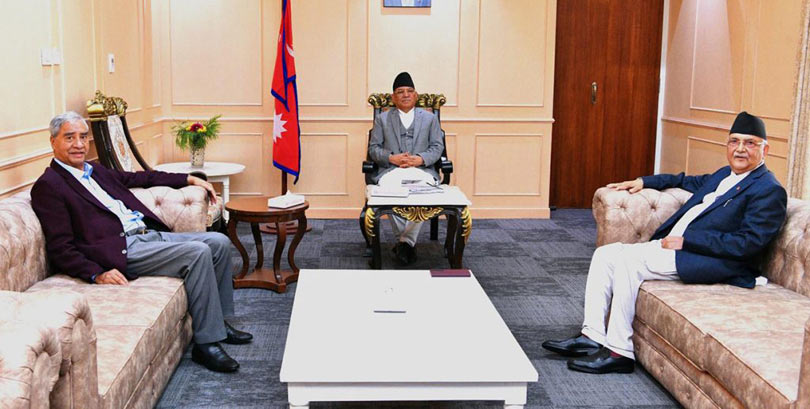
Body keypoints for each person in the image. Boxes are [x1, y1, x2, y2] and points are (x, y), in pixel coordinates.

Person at [542, 111, 787, 374]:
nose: (740, 149)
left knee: (629, 261)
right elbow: (684, 180)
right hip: (677, 248)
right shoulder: (724, 175)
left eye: (750, 143)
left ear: (765, 149)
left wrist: (688, 241)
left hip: (712, 260)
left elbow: (747, 244)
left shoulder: (768, 189)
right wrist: (644, 181)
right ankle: (591, 336)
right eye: (734, 141)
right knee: (606, 254)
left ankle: (619, 352)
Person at [31, 111, 253, 373]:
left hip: (146, 233)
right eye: (69, 138)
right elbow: (60, 247)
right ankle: (206, 344)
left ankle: (218, 322)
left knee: (218, 242)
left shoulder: (94, 171)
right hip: (123, 249)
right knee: (198, 252)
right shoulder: (50, 185)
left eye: (83, 137)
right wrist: (96, 273)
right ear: (53, 142)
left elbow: (140, 178)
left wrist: (190, 179)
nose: (78, 144)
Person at [368, 71, 445, 265]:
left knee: (422, 194)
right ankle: (408, 243)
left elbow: (437, 147)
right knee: (391, 192)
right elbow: (373, 148)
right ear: (393, 97)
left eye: (409, 91)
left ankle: (404, 243)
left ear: (416, 95)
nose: (405, 95)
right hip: (392, 171)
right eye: (400, 92)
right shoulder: (382, 119)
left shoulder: (429, 119)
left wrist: (420, 159)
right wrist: (391, 158)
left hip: (422, 170)